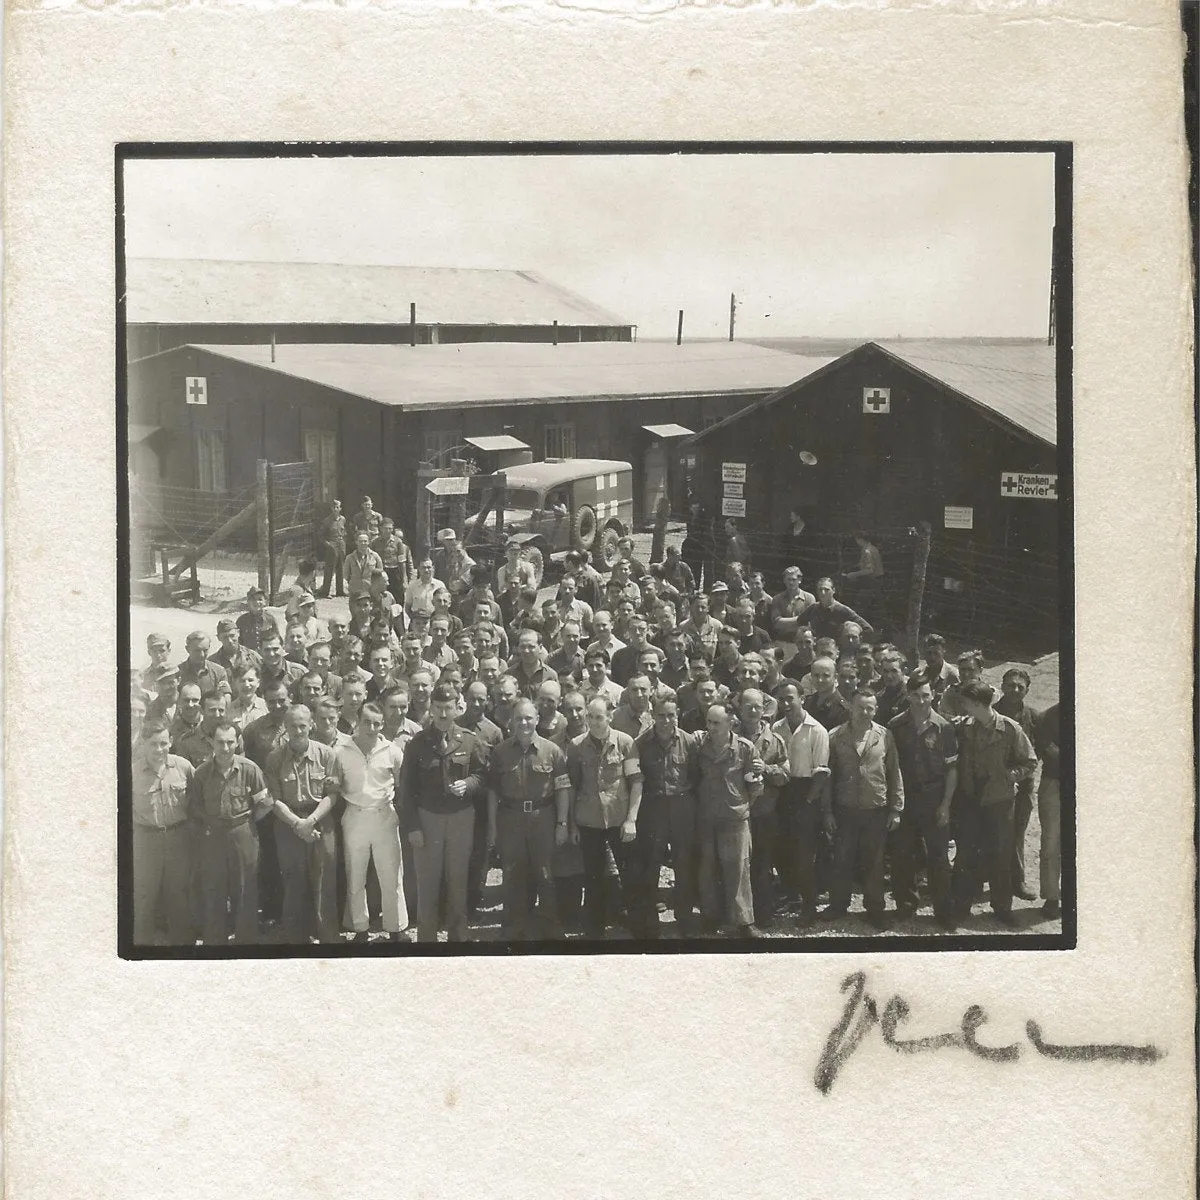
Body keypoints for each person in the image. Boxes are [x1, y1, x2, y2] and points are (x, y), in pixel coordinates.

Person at [398, 683, 488, 943]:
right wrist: (413, 827)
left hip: (461, 819)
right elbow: (406, 790)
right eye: (438, 708)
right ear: (431, 708)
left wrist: (468, 784)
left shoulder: (469, 740)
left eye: (448, 708)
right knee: (428, 884)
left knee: (458, 881)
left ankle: (458, 940)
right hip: (428, 821)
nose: (444, 714)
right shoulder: (417, 744)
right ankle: (427, 941)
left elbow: (482, 776)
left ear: (458, 707)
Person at [951, 680, 1038, 927]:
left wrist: (1012, 776)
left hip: (999, 799)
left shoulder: (1010, 729)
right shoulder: (966, 727)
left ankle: (1002, 908)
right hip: (970, 797)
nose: (963, 706)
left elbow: (1030, 761)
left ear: (978, 704)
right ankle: (961, 906)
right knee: (966, 854)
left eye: (967, 702)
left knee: (1000, 854)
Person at [486, 698, 573, 940]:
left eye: (528, 718)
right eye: (518, 718)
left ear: (536, 720)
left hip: (542, 818)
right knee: (512, 874)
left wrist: (562, 824)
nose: (523, 723)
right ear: (511, 722)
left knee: (545, 874)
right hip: (511, 819)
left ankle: (549, 927)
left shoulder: (552, 751)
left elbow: (563, 789)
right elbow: (493, 791)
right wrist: (493, 827)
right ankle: (514, 927)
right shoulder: (501, 752)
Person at [822, 689, 904, 930]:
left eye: (870, 708)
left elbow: (894, 772)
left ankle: (875, 908)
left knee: (874, 862)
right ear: (850, 707)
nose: (865, 712)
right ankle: (838, 905)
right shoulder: (835, 736)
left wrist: (896, 809)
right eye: (861, 707)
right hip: (845, 809)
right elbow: (828, 776)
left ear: (876, 710)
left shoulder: (885, 735)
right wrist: (826, 811)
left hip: (875, 809)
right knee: (842, 860)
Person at [188, 721, 273, 944]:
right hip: (213, 836)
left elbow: (265, 803)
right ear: (212, 743)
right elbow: (195, 807)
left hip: (243, 832)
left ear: (237, 742)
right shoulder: (202, 774)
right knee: (214, 888)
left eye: (229, 742)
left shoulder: (250, 769)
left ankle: (245, 941)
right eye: (220, 742)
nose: (225, 748)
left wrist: (246, 823)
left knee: (245, 889)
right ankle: (216, 942)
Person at [330, 703, 409, 943]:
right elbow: (335, 782)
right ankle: (360, 929)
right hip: (355, 816)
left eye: (377, 723)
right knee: (355, 875)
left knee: (391, 875)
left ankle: (396, 929)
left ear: (383, 724)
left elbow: (400, 784)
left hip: (384, 816)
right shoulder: (341, 751)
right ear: (358, 722)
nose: (372, 728)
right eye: (367, 722)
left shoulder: (392, 751)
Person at [566, 697, 642, 939]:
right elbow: (572, 787)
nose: (594, 722)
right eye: (590, 717)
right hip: (589, 821)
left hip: (619, 820)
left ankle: (639, 930)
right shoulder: (576, 746)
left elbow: (636, 782)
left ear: (610, 717)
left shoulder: (625, 743)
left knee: (630, 876)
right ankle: (594, 933)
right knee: (593, 877)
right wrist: (572, 824)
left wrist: (631, 819)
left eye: (599, 717)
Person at [887, 675, 959, 930]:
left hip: (934, 797)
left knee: (938, 856)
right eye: (916, 695)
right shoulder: (896, 725)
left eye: (926, 695)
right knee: (902, 854)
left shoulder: (944, 727)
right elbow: (891, 766)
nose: (921, 701)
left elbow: (952, 769)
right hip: (906, 798)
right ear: (908, 695)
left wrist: (946, 804)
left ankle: (943, 912)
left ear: (933, 696)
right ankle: (906, 907)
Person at [264, 704, 340, 944]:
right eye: (293, 726)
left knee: (323, 878)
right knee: (293, 878)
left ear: (311, 726)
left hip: (320, 819)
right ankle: (295, 939)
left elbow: (332, 795)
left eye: (303, 726)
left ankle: (327, 937)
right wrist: (297, 824)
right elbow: (274, 800)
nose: (298, 731)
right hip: (288, 822)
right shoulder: (275, 758)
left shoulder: (327, 755)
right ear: (285, 728)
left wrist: (311, 821)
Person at [632, 695, 700, 935]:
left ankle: (684, 917)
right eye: (661, 715)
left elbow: (695, 775)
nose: (666, 720)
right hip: (653, 807)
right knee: (651, 864)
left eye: (671, 715)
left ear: (677, 715)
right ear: (653, 715)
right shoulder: (641, 743)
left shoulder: (689, 742)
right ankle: (650, 921)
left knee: (684, 863)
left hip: (682, 807)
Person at [695, 704, 763, 937]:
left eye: (716, 723)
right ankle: (710, 917)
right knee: (707, 869)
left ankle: (744, 922)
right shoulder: (699, 746)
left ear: (730, 723)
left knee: (738, 869)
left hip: (734, 818)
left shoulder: (744, 748)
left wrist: (742, 806)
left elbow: (755, 785)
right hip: (706, 817)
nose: (711, 727)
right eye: (709, 722)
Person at [132, 719, 195, 945]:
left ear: (171, 742)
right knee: (144, 897)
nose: (159, 750)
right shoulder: (132, 773)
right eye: (153, 744)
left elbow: (195, 802)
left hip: (178, 838)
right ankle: (141, 949)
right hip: (146, 841)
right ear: (143, 745)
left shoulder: (184, 767)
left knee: (178, 895)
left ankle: (184, 949)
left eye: (164, 743)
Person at [774, 681, 830, 926]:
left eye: (790, 699)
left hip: (807, 793)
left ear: (802, 699)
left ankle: (809, 905)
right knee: (783, 849)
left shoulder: (817, 730)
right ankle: (792, 896)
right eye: (782, 700)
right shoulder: (776, 727)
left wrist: (808, 802)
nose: (786, 704)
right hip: (783, 791)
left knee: (805, 853)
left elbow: (821, 773)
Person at [737, 688, 790, 929]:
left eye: (757, 706)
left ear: (764, 709)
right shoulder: (729, 736)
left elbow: (786, 776)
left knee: (762, 865)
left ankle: (763, 914)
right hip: (738, 814)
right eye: (748, 705)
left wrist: (766, 769)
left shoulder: (775, 741)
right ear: (740, 708)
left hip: (765, 813)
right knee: (739, 866)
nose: (753, 710)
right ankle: (739, 917)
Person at [994, 667, 1040, 902]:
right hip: (995, 784)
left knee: (1017, 834)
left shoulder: (1033, 716)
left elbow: (1036, 753)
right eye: (1010, 685)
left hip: (1022, 786)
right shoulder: (992, 713)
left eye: (1020, 687)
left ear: (1027, 691)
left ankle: (1017, 881)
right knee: (992, 833)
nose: (1015, 690)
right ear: (1002, 686)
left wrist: (1021, 773)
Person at [1033, 702, 1061, 919]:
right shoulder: (1046, 718)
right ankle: (1052, 897)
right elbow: (1050, 752)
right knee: (1051, 843)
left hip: (1090, 784)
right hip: (1054, 783)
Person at [798, 577, 875, 644]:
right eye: (820, 589)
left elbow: (868, 630)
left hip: (836, 652)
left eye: (826, 589)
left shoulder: (843, 610)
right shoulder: (813, 608)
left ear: (833, 590)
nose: (823, 593)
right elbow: (800, 623)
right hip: (817, 651)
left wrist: (852, 642)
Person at [177, 632, 229, 700]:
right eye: (197, 651)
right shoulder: (177, 672)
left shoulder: (219, 672)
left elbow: (225, 698)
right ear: (187, 649)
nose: (201, 654)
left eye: (205, 650)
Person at [804, 657, 851, 731]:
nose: (820, 680)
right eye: (816, 675)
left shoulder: (844, 711)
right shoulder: (806, 703)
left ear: (835, 677)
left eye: (825, 676)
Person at [840, 533, 884, 611]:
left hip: (872, 581)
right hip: (876, 580)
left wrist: (854, 574)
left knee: (861, 604)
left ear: (859, 540)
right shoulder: (872, 548)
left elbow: (870, 570)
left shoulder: (867, 551)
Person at [316, 499, 347, 598]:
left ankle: (340, 590)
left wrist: (343, 543)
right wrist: (328, 544)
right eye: (334, 507)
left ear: (340, 508)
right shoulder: (326, 521)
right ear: (331, 508)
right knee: (330, 569)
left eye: (337, 507)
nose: (335, 509)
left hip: (341, 544)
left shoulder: (343, 519)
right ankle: (325, 591)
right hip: (332, 545)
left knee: (341, 568)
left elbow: (344, 532)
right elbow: (320, 536)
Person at [237, 585, 281, 653]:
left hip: (267, 656)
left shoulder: (270, 619)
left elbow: (278, 640)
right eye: (253, 599)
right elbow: (237, 644)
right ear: (248, 602)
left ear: (265, 602)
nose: (257, 602)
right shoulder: (241, 621)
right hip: (248, 658)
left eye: (260, 599)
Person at [919, 634, 960, 708]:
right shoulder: (919, 674)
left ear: (943, 652)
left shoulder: (953, 675)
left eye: (936, 653)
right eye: (929, 653)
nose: (932, 657)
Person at [611, 674, 654, 740]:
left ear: (651, 691)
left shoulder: (660, 713)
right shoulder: (615, 717)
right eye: (634, 690)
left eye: (643, 689)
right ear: (628, 692)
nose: (639, 695)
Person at [404, 557, 445, 621]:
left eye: (429, 567)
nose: (426, 570)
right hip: (418, 623)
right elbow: (407, 608)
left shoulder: (440, 585)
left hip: (435, 622)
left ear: (433, 568)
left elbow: (444, 606)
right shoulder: (412, 587)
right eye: (423, 567)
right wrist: (414, 621)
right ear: (419, 569)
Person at [346, 531, 385, 598]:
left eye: (365, 541)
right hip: (355, 591)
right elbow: (346, 575)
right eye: (360, 541)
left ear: (369, 542)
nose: (363, 543)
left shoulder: (375, 556)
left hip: (371, 590)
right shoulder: (350, 557)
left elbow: (381, 571)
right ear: (356, 542)